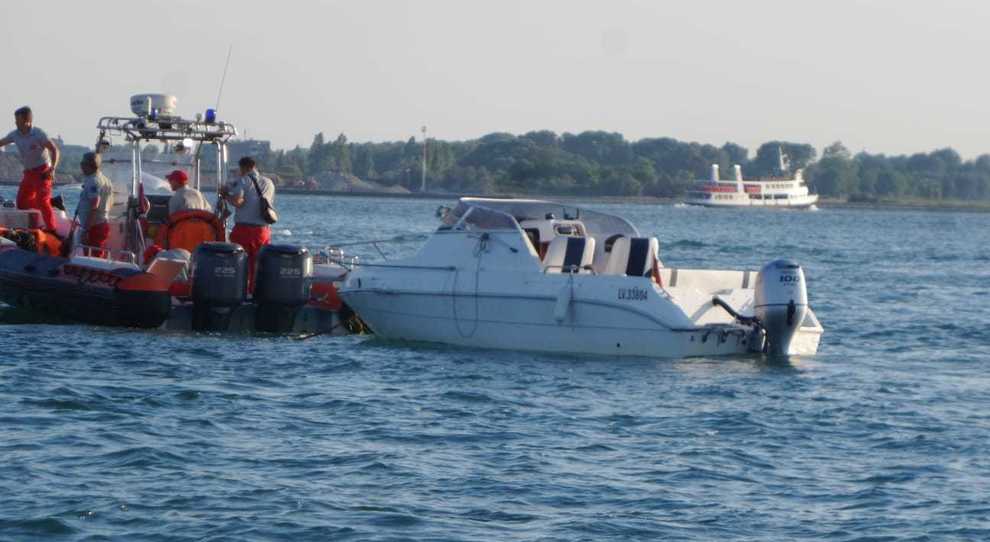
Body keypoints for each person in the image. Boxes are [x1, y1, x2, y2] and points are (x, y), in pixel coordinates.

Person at [0, 106, 60, 231]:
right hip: (29, 173)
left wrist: (52, 169)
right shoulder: (15, 134)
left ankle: (52, 229)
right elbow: (2, 142)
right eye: (15, 121)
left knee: (42, 201)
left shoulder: (38, 134)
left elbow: (54, 150)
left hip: (43, 171)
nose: (16, 123)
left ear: (28, 121)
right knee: (21, 203)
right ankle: (52, 204)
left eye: (18, 121)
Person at [221, 156, 275, 292]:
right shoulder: (269, 182)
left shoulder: (244, 180)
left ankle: (241, 291)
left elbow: (238, 202)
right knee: (259, 263)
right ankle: (257, 291)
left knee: (239, 262)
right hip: (264, 230)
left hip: (244, 230)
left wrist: (225, 195)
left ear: (244, 168)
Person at [74, 152, 113, 255]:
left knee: (92, 257)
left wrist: (86, 229)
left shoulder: (93, 181)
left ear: (89, 165)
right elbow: (111, 201)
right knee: (95, 254)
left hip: (94, 227)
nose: (81, 166)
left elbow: (95, 204)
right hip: (101, 224)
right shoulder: (105, 180)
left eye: (83, 163)